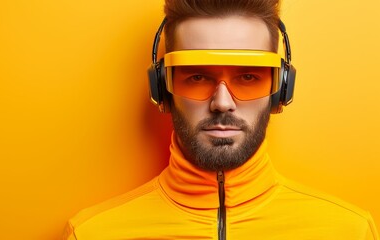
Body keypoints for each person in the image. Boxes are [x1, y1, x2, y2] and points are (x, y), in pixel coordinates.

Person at [63, 0, 379, 239]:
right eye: (197, 76)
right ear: (163, 89)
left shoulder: (349, 231)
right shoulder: (93, 234)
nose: (222, 103)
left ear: (281, 90)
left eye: (248, 76)